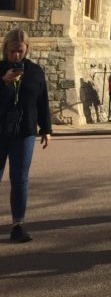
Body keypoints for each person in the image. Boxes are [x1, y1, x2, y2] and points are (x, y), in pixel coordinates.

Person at [0, 29, 52, 243]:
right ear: (5, 50)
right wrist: (4, 82)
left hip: (24, 132)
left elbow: (42, 101)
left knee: (20, 179)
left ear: (27, 49)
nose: (16, 56)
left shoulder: (35, 71)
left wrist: (46, 129)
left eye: (20, 51)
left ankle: (18, 225)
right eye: (12, 52)